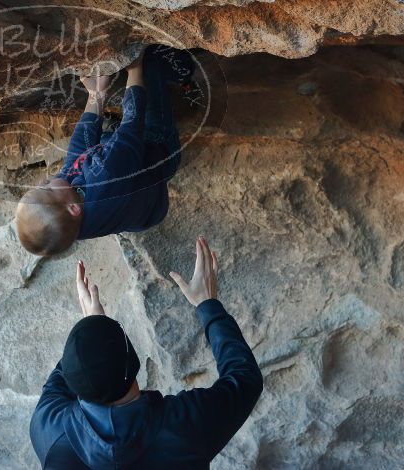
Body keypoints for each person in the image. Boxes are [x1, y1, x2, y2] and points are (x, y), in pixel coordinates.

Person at [29, 236, 263, 469]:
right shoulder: (184, 428)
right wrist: (208, 305)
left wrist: (93, 333)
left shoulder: (49, 432)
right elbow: (245, 379)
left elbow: (74, 370)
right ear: (134, 359)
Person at [15, 45, 193, 256]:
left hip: (134, 202)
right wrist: (135, 67)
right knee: (151, 62)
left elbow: (77, 155)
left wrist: (96, 94)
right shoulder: (108, 177)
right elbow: (132, 123)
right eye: (47, 189)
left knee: (107, 145)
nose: (45, 181)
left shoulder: (67, 225)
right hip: (156, 145)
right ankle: (186, 70)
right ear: (73, 209)